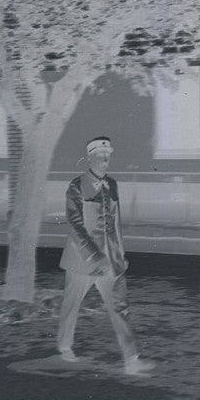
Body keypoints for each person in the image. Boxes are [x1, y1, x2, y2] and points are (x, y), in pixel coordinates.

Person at [56, 136, 156, 376]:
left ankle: (131, 359)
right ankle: (64, 346)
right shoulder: (77, 186)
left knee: (120, 307)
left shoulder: (112, 184)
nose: (104, 158)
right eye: (100, 155)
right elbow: (75, 224)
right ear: (89, 157)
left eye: (107, 154)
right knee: (71, 305)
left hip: (111, 260)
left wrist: (121, 253)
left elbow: (116, 221)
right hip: (82, 261)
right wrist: (93, 254)